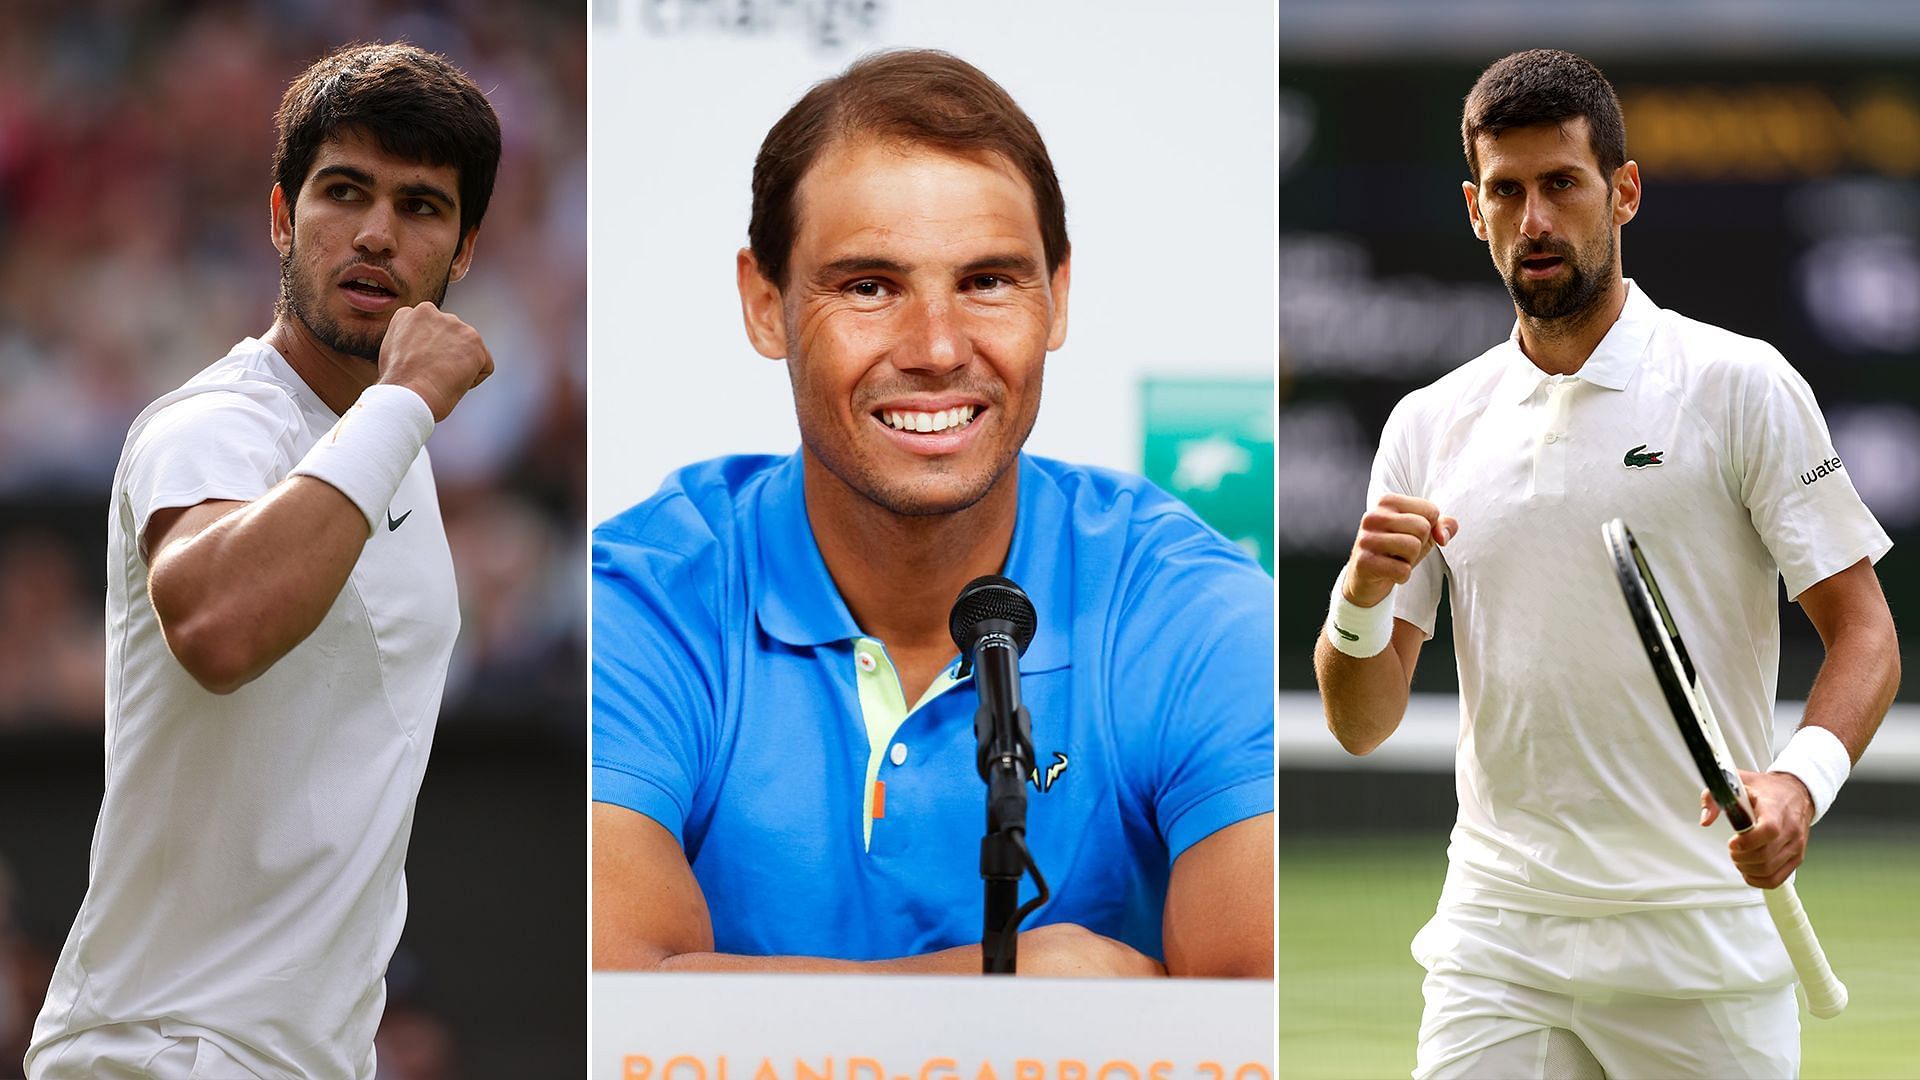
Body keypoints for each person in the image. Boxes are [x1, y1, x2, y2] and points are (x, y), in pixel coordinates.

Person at [591, 49, 1274, 978]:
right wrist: (1030, 993)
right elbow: (619, 1002)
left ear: (1059, 296)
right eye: (870, 286)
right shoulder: (642, 596)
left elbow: (1243, 1020)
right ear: (765, 304)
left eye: (988, 281)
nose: (938, 348)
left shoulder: (1191, 607)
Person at [1315, 48, 1901, 1078]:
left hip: (1702, 948)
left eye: (1560, 185)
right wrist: (1358, 600)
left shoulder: (1740, 385)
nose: (1534, 219)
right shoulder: (1427, 425)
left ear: (1622, 192)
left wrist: (1798, 785)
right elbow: (1362, 720)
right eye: (1507, 191)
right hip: (1498, 940)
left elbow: (1866, 633)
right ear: (1473, 208)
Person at [26, 43, 499, 1079]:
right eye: (344, 193)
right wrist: (407, 401)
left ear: (462, 253)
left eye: (421, 207)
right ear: (281, 218)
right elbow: (219, 627)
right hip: (165, 1052)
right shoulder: (212, 424)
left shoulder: (390, 444)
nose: (376, 234)